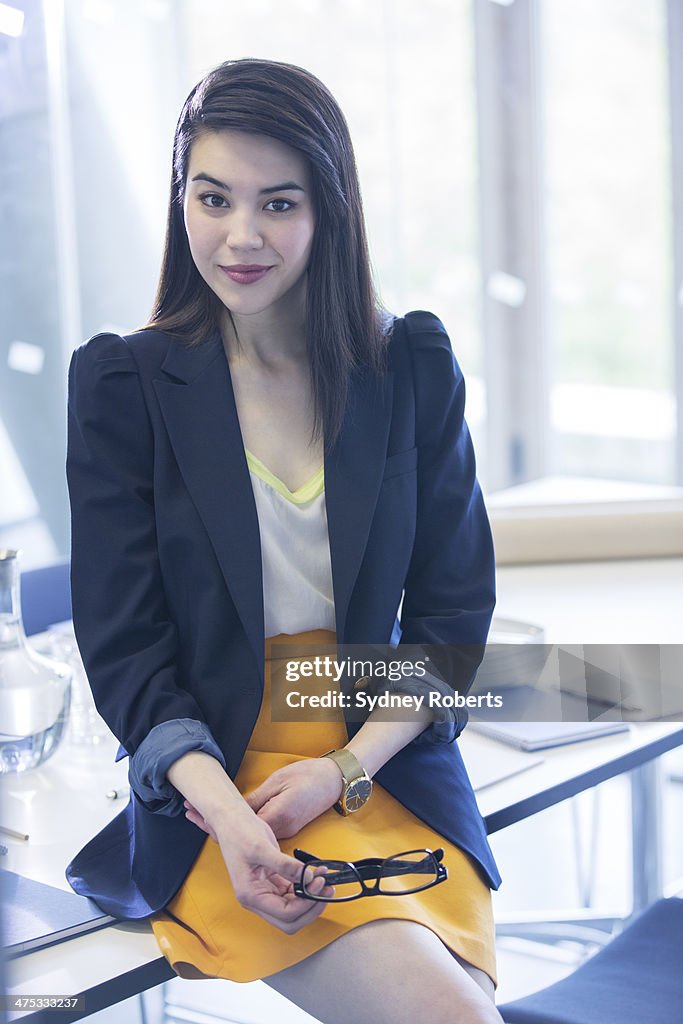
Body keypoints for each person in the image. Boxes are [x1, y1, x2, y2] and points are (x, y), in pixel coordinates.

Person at [65, 58, 503, 1024]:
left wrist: (340, 772)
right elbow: (127, 649)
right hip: (218, 788)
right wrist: (226, 815)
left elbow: (450, 621)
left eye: (279, 203)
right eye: (212, 198)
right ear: (182, 198)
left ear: (330, 213)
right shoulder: (122, 386)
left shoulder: (410, 367)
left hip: (374, 762)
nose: (240, 236)